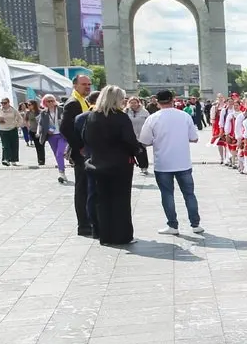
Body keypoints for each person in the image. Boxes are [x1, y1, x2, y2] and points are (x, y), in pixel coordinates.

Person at [138, 90, 203, 236]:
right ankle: (195, 224)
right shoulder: (184, 116)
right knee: (189, 194)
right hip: (183, 161)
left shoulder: (153, 118)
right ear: (173, 100)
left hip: (163, 163)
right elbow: (194, 138)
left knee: (167, 194)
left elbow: (144, 141)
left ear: (157, 101)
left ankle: (173, 225)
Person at [82, 86, 139, 246]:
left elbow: (85, 138)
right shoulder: (120, 117)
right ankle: (122, 235)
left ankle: (105, 235)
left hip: (98, 163)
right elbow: (129, 140)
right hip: (120, 164)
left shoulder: (92, 116)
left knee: (103, 201)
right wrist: (137, 150)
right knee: (121, 201)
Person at [61, 75, 95, 235]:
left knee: (88, 188)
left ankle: (89, 220)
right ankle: (83, 225)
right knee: (82, 189)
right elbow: (65, 128)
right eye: (83, 84)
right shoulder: (73, 103)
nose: (87, 87)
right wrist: (80, 147)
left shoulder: (84, 100)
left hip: (86, 152)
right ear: (75, 85)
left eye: (89, 84)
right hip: (81, 153)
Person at [38, 94, 67, 184]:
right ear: (44, 102)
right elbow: (40, 123)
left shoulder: (61, 109)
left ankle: (61, 173)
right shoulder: (44, 113)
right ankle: (63, 173)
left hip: (63, 135)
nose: (50, 103)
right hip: (52, 136)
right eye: (48, 101)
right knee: (57, 155)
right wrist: (39, 132)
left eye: (52, 100)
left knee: (59, 153)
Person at [126, 96, 151, 175]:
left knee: (141, 152)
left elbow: (149, 122)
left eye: (135, 102)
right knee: (129, 153)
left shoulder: (144, 112)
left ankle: (144, 167)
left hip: (141, 135)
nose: (133, 104)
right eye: (131, 103)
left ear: (138, 103)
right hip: (130, 135)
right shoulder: (126, 111)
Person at [0, 98, 22, 166]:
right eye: (2, 103)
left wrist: (17, 125)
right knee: (5, 145)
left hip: (12, 129)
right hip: (3, 129)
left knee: (14, 145)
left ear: (8, 103)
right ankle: (6, 159)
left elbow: (20, 118)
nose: (3, 104)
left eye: (5, 103)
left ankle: (13, 160)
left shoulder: (13, 110)